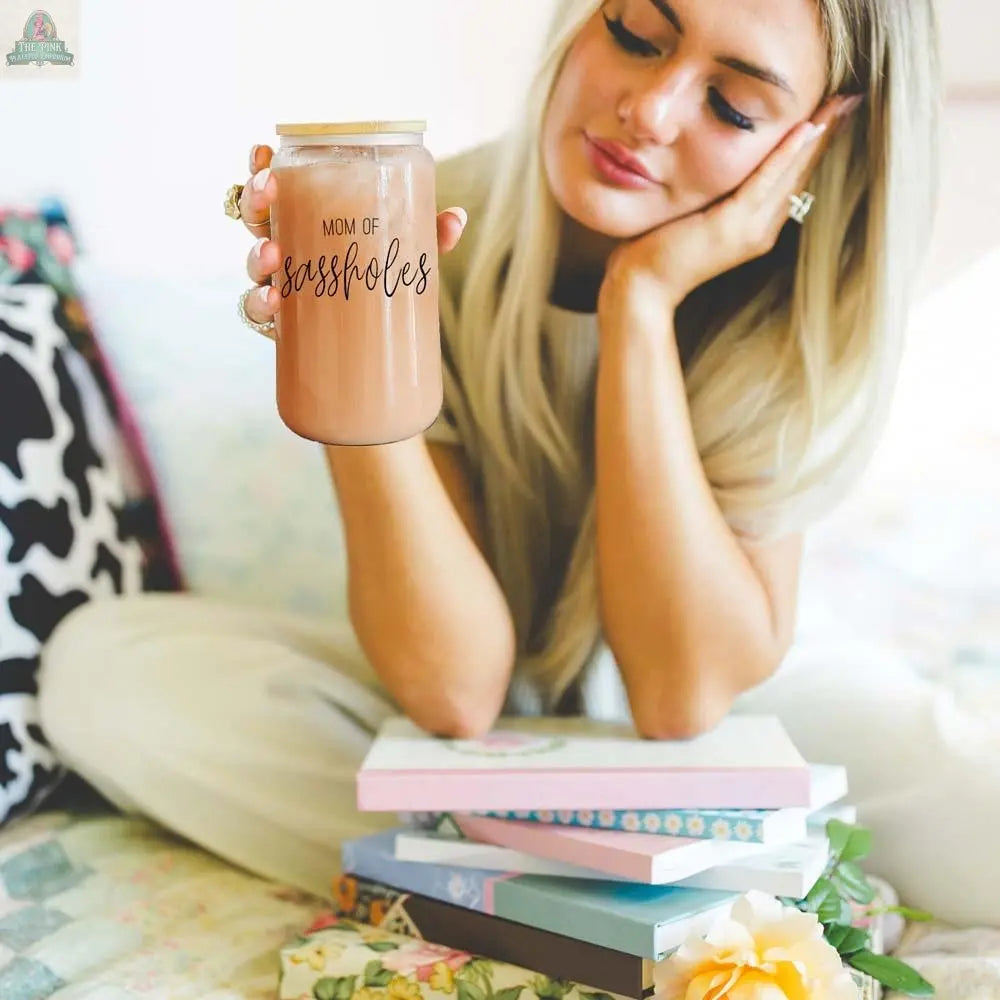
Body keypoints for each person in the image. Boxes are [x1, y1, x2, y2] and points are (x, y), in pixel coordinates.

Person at [39, 0, 986, 928]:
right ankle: (669, 894)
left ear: (815, 147)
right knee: (104, 675)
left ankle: (517, 887)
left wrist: (642, 303)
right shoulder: (410, 233)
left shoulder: (808, 319)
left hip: (729, 730)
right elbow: (456, 692)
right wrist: (352, 359)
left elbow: (679, 696)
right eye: (636, 35)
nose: (650, 113)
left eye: (733, 107)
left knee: (972, 800)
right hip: (475, 745)